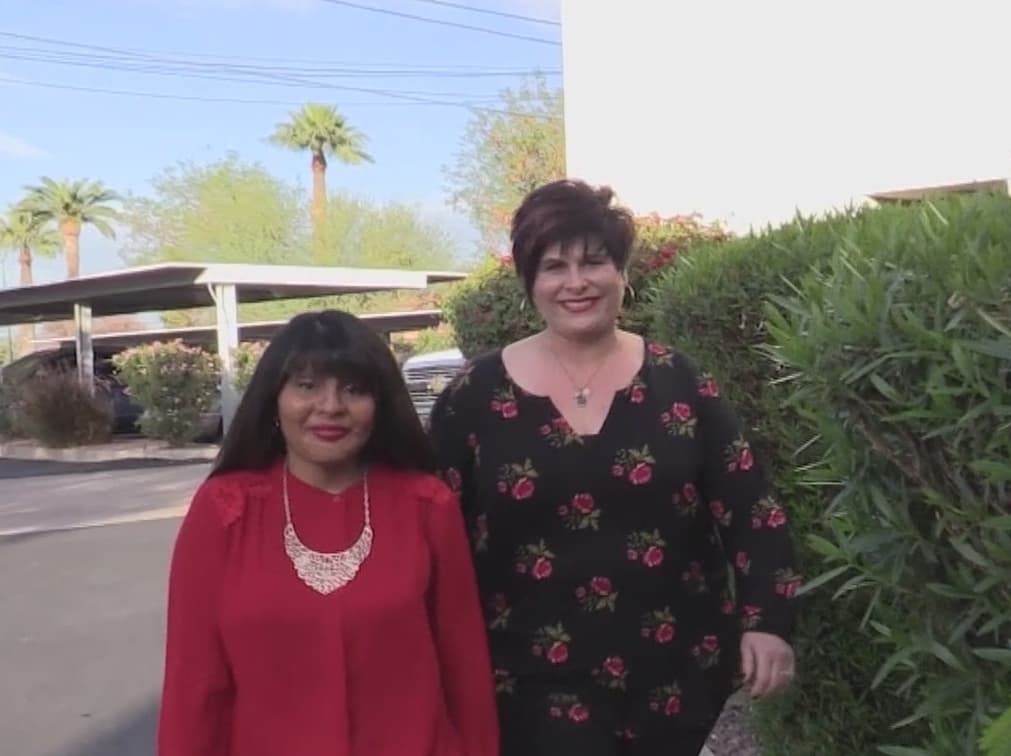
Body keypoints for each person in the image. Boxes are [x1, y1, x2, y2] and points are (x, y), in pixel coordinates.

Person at [427, 179, 801, 756]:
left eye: (594, 262)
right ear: (530, 282)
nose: (576, 282)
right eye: (554, 267)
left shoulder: (681, 382)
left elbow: (752, 510)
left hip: (676, 676)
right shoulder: (474, 395)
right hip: (525, 684)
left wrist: (768, 622)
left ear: (622, 273)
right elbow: (429, 531)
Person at [157, 310, 499, 756]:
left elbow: (465, 668)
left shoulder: (426, 505)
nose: (331, 406)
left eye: (353, 389)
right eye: (307, 386)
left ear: (380, 404)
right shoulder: (225, 510)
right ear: (274, 400)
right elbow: (193, 682)